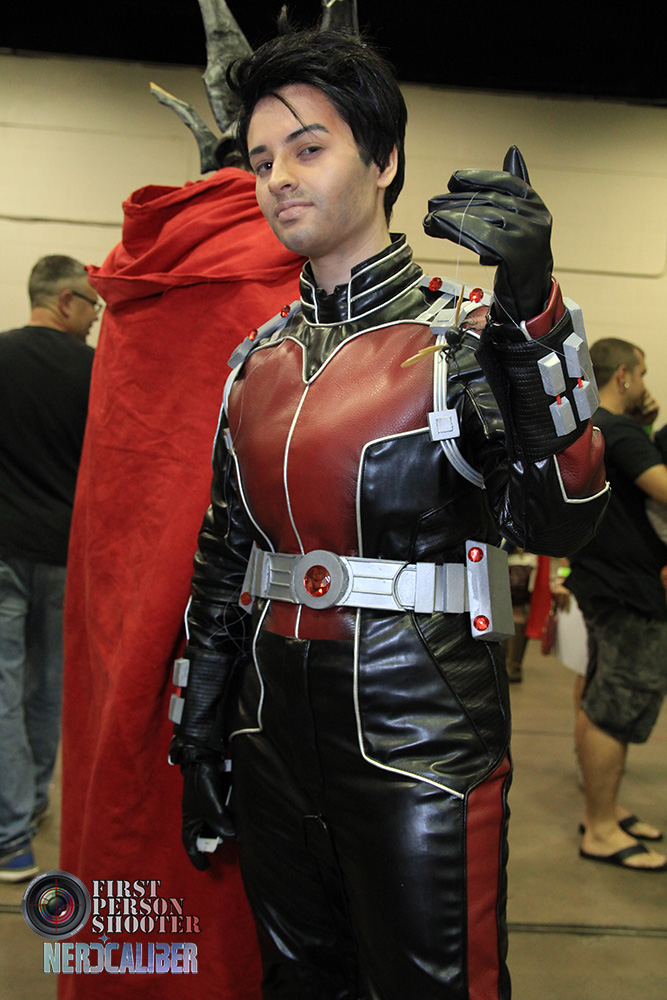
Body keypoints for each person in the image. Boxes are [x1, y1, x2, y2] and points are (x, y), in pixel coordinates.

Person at [169, 26, 608, 999]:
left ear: (383, 160)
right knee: (298, 982)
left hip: (423, 740)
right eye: (260, 159)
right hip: (267, 735)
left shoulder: (463, 344)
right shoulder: (255, 363)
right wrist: (199, 728)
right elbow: (224, 556)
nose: (278, 178)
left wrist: (533, 317)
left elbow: (562, 520)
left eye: (307, 147)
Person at [0, 255, 96, 882]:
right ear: (64, 301)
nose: (95, 318)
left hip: (3, 550)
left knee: (4, 689)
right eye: (92, 304)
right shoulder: (96, 370)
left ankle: (10, 836)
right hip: (65, 553)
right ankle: (31, 802)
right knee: (47, 689)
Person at [566, 337, 667, 871]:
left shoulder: (590, 428)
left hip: (602, 581)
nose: (644, 385)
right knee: (617, 707)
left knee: (602, 698)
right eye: (642, 374)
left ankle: (602, 811)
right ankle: (601, 828)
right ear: (623, 374)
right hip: (627, 590)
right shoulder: (620, 430)